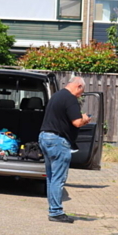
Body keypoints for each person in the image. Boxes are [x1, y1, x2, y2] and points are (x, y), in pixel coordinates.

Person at [38, 77, 92, 223]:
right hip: (57, 141)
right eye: (82, 91)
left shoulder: (57, 96)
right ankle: (56, 212)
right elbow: (76, 122)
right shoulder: (70, 99)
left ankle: (53, 209)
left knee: (51, 177)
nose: (81, 94)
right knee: (58, 178)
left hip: (45, 137)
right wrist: (85, 118)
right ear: (79, 86)